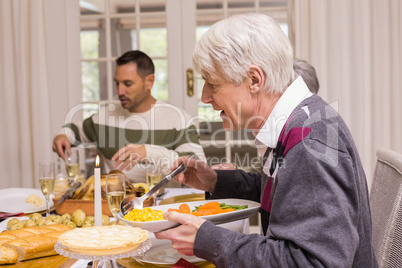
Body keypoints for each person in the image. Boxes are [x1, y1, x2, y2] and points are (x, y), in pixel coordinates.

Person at [154, 14, 378, 267]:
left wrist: (209, 240)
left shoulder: (309, 140)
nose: (205, 96)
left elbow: (312, 262)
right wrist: (217, 181)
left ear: (254, 80)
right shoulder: (300, 121)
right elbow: (291, 195)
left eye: (212, 83)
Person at [52, 50, 205, 182]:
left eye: (127, 84)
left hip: (160, 205)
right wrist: (62, 135)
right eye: (117, 83)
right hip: (111, 203)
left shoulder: (177, 119)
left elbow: (197, 163)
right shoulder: (105, 116)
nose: (119, 91)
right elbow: (75, 130)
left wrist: (149, 152)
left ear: (149, 82)